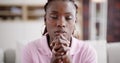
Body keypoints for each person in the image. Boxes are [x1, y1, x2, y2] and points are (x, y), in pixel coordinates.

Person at [22, 0, 97, 63]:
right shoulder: (30, 50)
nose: (61, 24)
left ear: (75, 21)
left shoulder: (87, 52)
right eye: (54, 17)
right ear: (45, 19)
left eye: (68, 18)